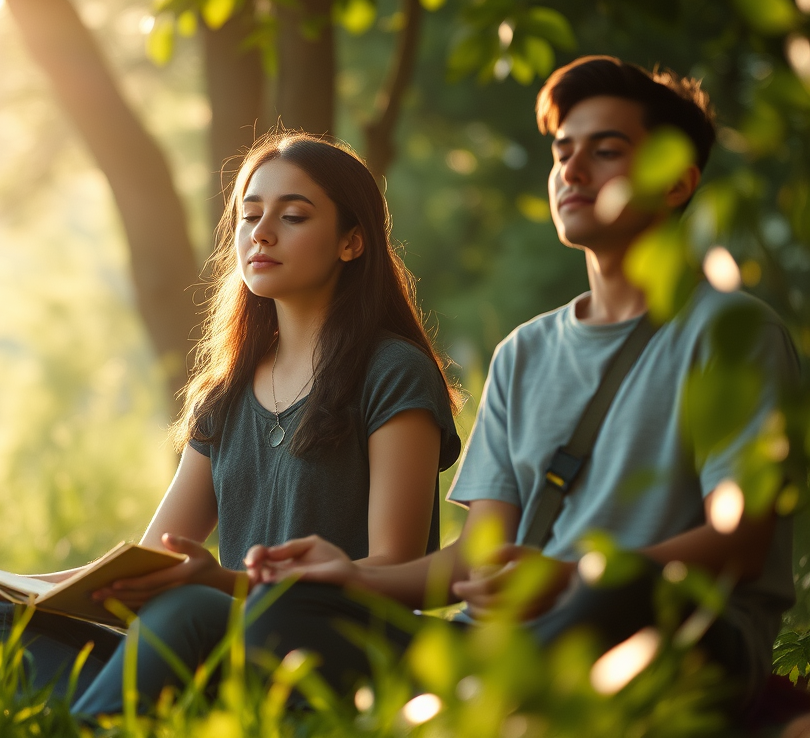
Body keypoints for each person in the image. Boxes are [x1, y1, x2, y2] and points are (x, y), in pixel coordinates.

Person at [243, 56, 799, 712]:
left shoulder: (732, 332)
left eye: (607, 150)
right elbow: (478, 560)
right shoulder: (523, 353)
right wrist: (351, 576)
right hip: (509, 642)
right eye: (562, 151)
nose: (573, 169)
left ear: (677, 183)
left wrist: (569, 578)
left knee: (608, 591)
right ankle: (482, 699)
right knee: (297, 612)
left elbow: (742, 538)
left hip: (677, 632)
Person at [0, 131, 461, 714]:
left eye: (294, 216)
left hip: (323, 649)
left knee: (190, 609)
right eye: (249, 215)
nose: (261, 232)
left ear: (352, 241)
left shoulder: (393, 371)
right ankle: (138, 715)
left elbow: (396, 567)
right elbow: (149, 561)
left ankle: (109, 719)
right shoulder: (226, 391)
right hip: (210, 643)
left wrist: (217, 587)